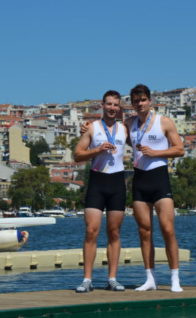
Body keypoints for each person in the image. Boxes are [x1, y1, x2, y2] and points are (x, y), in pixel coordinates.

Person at [125, 84, 184, 292]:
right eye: (135, 101)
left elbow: (180, 149)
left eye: (142, 100)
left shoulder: (164, 122)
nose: (139, 104)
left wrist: (155, 153)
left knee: (167, 229)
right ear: (132, 104)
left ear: (149, 101)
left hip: (159, 179)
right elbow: (111, 134)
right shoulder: (129, 123)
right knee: (144, 232)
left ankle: (175, 277)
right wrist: (88, 128)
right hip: (139, 180)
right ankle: (150, 278)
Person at [73, 90, 127, 293]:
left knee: (114, 232)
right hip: (97, 181)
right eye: (109, 104)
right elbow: (77, 154)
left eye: (116, 105)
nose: (112, 108)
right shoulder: (92, 128)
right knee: (91, 231)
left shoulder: (125, 128)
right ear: (102, 105)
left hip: (117, 182)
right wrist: (97, 150)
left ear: (119, 107)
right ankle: (87, 279)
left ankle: (112, 279)